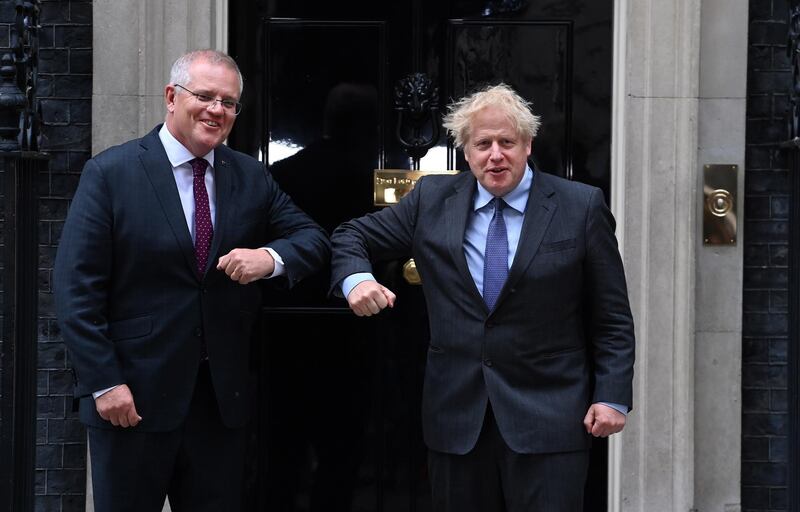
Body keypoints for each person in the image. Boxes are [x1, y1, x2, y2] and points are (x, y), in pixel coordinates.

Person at [329, 83, 635, 511]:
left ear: (528, 145)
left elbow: (612, 315)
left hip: (550, 416)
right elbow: (351, 235)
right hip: (457, 417)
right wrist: (357, 279)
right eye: (483, 144)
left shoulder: (579, 206)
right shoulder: (432, 201)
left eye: (507, 142)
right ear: (465, 151)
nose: (495, 155)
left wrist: (611, 395)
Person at [54, 49, 330, 512]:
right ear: (171, 97)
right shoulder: (111, 173)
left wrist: (270, 256)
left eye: (229, 102)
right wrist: (104, 383)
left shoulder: (249, 175)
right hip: (132, 400)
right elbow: (75, 289)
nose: (216, 110)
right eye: (204, 96)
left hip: (217, 407)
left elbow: (313, 238)